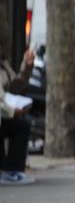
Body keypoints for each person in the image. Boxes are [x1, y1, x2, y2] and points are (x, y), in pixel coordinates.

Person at [0, 46, 36, 185]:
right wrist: (12, 111)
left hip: (4, 113)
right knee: (16, 125)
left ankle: (11, 170)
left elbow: (17, 86)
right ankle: (9, 170)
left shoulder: (4, 65)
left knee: (20, 126)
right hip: (4, 111)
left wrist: (26, 67)